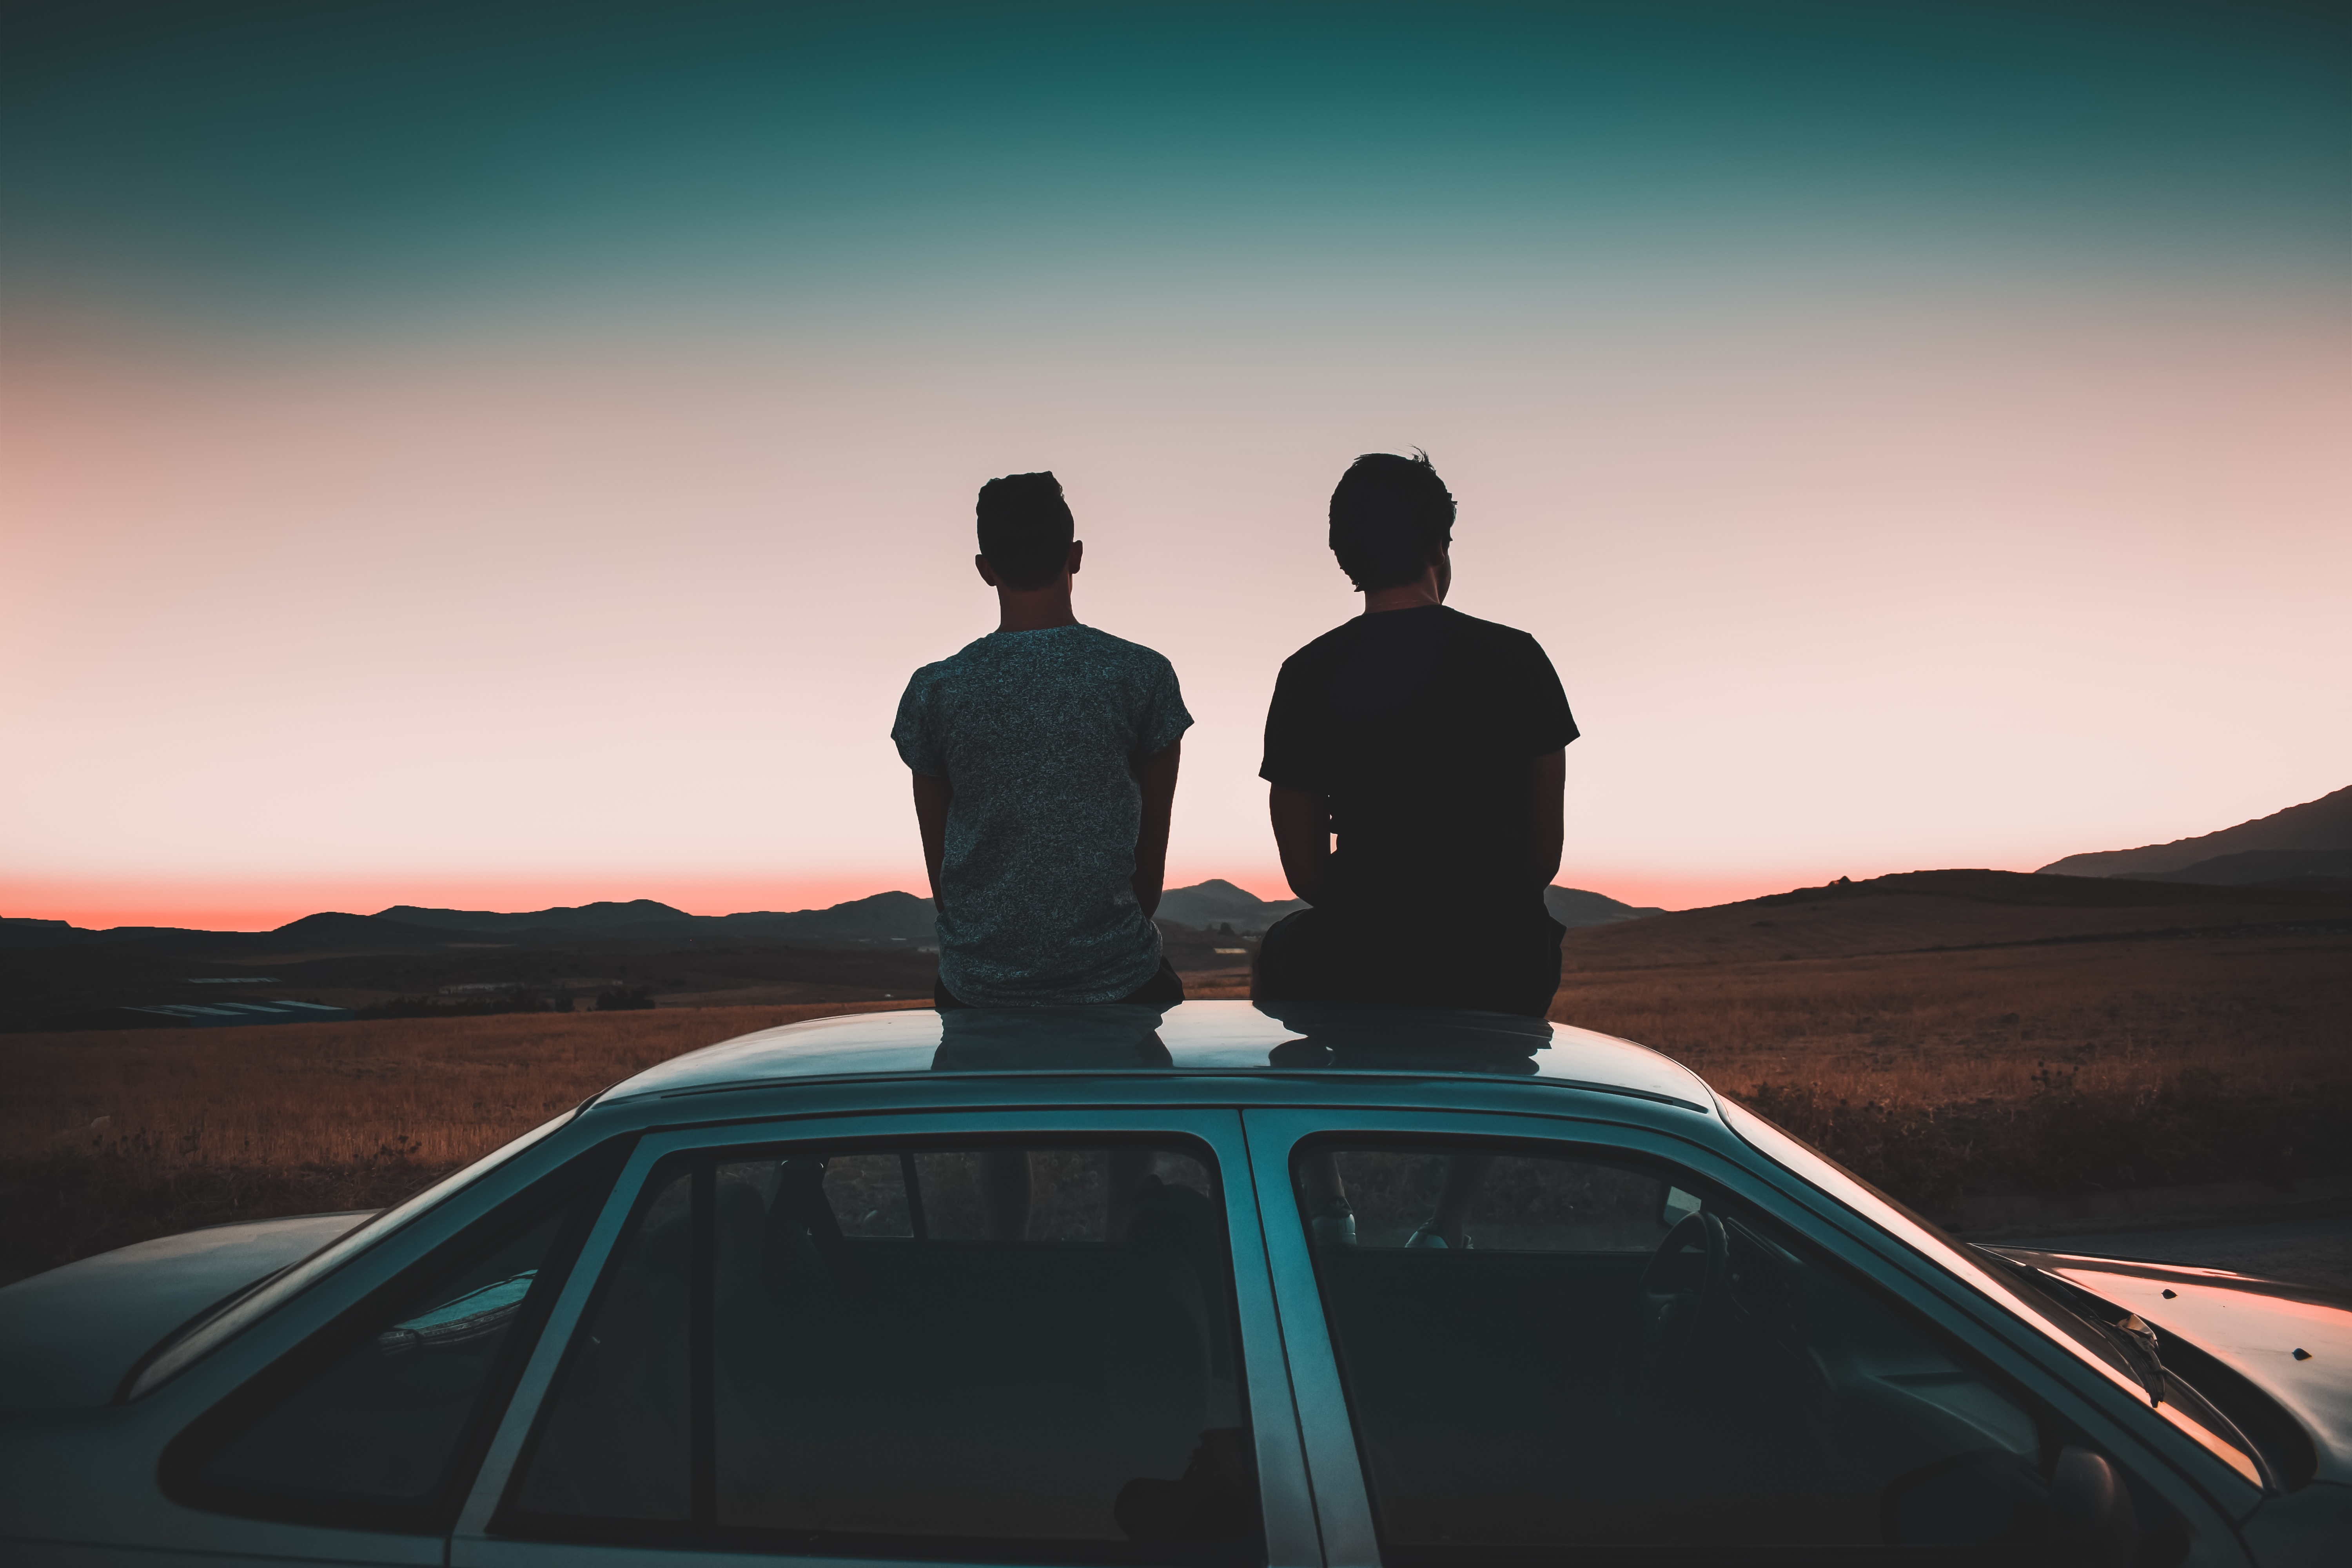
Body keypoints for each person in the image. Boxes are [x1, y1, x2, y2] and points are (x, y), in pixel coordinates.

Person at [1256, 450, 1577, 1247]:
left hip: (1360, 956)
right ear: (1441, 546)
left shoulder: (1305, 674)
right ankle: (1448, 1221)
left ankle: (1329, 1205)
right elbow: (1542, 857)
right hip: (1499, 963)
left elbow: (1305, 873)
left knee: (1278, 957)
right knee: (1528, 938)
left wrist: (1377, 904)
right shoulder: (1519, 657)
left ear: (1344, 556)